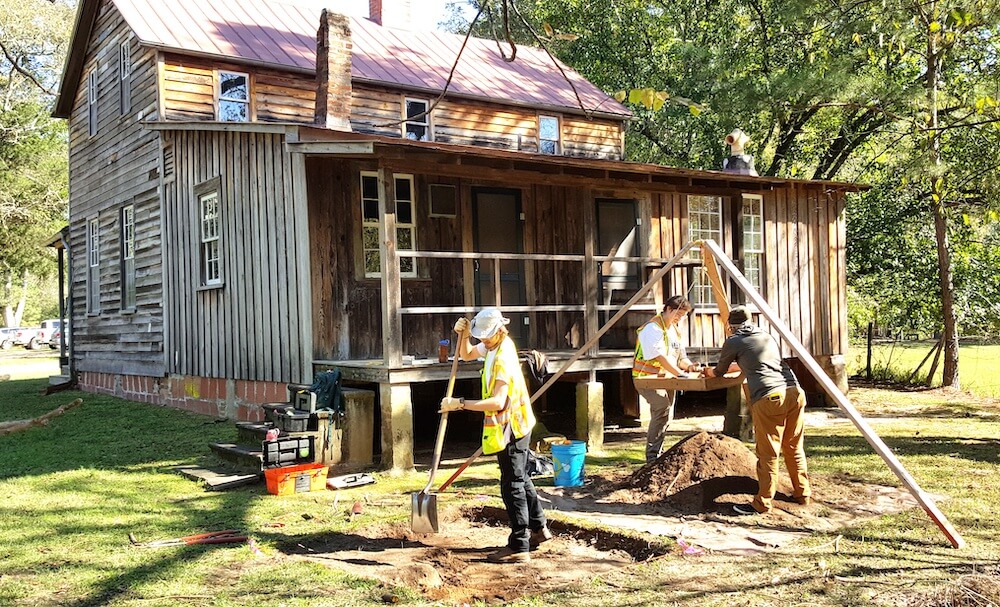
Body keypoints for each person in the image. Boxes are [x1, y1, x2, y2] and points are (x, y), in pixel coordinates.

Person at [439, 307, 551, 563]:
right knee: (520, 478)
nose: (484, 341)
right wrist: (465, 335)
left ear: (501, 330)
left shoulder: (503, 357)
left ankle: (519, 545)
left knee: (511, 484)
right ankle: (539, 527)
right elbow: (466, 354)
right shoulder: (493, 346)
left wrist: (459, 403)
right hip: (515, 422)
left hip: (512, 424)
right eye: (482, 337)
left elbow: (498, 402)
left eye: (487, 337)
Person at [703, 306, 812, 514]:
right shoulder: (765, 337)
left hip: (769, 397)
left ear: (730, 326)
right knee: (793, 447)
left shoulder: (733, 341)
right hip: (795, 391)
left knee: (768, 453)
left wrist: (706, 371)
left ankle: (762, 503)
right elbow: (754, 364)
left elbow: (719, 372)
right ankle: (802, 494)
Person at [632, 295, 702, 463]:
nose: (681, 318)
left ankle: (659, 452)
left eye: (684, 315)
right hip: (646, 377)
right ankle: (652, 456)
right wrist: (679, 373)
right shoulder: (652, 328)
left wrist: (691, 367)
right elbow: (660, 356)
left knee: (667, 414)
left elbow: (680, 358)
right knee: (661, 409)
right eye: (679, 314)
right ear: (669, 309)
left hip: (667, 378)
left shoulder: (675, 330)